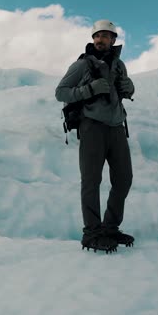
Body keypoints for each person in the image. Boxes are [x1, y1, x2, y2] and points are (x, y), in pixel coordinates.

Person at [55, 19, 136, 253]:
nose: (100, 40)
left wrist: (129, 88)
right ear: (93, 39)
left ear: (113, 40)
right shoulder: (82, 65)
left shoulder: (120, 65)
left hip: (117, 127)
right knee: (91, 180)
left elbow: (125, 93)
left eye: (105, 36)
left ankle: (110, 228)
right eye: (97, 36)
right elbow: (61, 92)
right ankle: (92, 232)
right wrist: (89, 90)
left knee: (123, 179)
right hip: (92, 127)